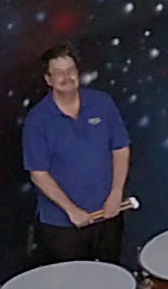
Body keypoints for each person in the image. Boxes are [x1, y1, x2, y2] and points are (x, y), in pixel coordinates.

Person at [21, 45, 133, 264]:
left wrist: (116, 194)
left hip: (109, 213)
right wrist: (71, 210)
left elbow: (120, 149)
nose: (66, 77)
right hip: (63, 226)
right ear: (48, 79)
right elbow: (38, 173)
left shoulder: (102, 103)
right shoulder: (37, 121)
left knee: (112, 278)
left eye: (70, 70)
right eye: (59, 73)